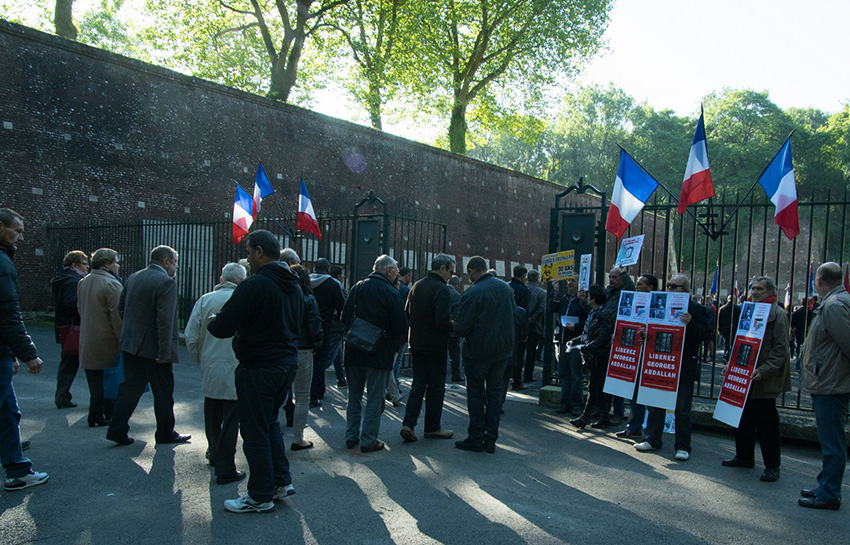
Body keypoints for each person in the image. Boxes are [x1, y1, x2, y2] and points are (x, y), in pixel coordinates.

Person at [208, 230, 302, 513]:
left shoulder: (255, 285)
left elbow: (222, 326)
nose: (247, 258)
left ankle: (260, 494)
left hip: (258, 366)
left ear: (260, 251)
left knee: (255, 430)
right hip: (285, 364)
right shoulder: (293, 285)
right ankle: (279, 481)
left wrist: (214, 319)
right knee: (270, 424)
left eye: (249, 252)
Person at [106, 245, 189, 446]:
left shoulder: (134, 277)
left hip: (131, 344)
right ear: (166, 261)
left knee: (130, 388)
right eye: (175, 262)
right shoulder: (166, 282)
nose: (176, 267)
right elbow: (165, 320)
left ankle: (117, 429)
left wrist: (133, 331)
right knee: (163, 392)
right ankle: (165, 433)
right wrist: (163, 351)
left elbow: (121, 308)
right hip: (154, 348)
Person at [634, 274, 711, 461]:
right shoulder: (660, 305)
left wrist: (690, 323)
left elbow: (706, 334)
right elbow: (654, 332)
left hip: (683, 364)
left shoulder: (698, 309)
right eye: (668, 285)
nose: (670, 289)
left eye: (674, 286)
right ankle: (653, 439)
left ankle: (683, 446)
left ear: (685, 290)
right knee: (655, 403)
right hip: (661, 361)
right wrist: (646, 333)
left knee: (682, 408)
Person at [721, 276, 790, 482]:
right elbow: (741, 342)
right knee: (743, 418)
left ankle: (772, 466)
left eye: (759, 289)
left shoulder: (778, 314)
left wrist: (764, 370)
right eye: (753, 288)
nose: (754, 292)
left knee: (767, 423)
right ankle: (744, 457)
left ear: (771, 292)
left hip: (764, 377)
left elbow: (780, 350)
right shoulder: (749, 310)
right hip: (744, 373)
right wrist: (731, 365)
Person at [185, 262, 247, 485]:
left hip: (211, 364)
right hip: (235, 363)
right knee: (231, 419)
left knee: (212, 414)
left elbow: (191, 335)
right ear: (241, 280)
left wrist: (201, 359)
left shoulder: (205, 300)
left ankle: (213, 451)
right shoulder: (243, 299)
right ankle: (225, 465)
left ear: (222, 279)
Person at [0, 208, 48, 491]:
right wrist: (27, 353)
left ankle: (17, 470)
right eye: (16, 230)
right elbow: (8, 313)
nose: (20, 236)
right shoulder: (3, 264)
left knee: (8, 414)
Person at [798, 262, 850, 510]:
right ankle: (825, 486)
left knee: (832, 443)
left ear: (818, 280)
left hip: (831, 384)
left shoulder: (834, 305)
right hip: (829, 381)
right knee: (831, 441)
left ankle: (829, 493)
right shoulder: (836, 301)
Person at [342, 255, 407, 453]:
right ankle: (369, 440)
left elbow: (345, 316)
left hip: (354, 349)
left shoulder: (357, 286)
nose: (397, 273)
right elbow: (400, 325)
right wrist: (394, 346)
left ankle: (351, 435)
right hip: (379, 352)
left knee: (354, 396)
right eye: (396, 270)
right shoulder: (391, 292)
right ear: (389, 271)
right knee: (374, 398)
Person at [453, 256, 515, 454]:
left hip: (478, 351)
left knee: (476, 394)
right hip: (502, 350)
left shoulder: (473, 292)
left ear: (472, 271)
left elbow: (462, 328)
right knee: (495, 394)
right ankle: (491, 439)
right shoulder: (506, 288)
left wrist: (452, 324)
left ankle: (475, 436)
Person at [399, 254, 455, 442]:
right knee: (436, 386)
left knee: (418, 383)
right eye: (450, 271)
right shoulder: (442, 290)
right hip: (435, 344)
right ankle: (432, 427)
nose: (451, 275)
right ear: (442, 269)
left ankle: (408, 423)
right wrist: (453, 326)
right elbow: (441, 319)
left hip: (415, 342)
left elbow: (407, 312)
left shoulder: (417, 285)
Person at [77, 248, 123, 427]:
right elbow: (117, 316)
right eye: (116, 262)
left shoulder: (84, 281)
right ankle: (106, 413)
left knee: (94, 380)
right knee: (110, 379)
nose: (118, 266)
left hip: (88, 335)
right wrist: (122, 340)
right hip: (106, 339)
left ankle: (95, 414)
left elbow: (80, 308)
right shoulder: (111, 284)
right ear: (107, 263)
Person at [616, 273, 658, 439]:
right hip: (635, 353)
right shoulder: (632, 301)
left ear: (650, 288)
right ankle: (634, 427)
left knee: (650, 394)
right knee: (633, 392)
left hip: (652, 357)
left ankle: (651, 430)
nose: (636, 287)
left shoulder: (657, 305)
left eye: (640, 284)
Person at [569, 285, 615, 429]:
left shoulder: (603, 314)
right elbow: (586, 333)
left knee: (594, 387)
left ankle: (585, 417)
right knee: (597, 388)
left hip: (599, 356)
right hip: (592, 355)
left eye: (589, 296)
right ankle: (604, 417)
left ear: (593, 299)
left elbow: (603, 336)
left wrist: (588, 347)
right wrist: (576, 341)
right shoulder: (593, 313)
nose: (587, 298)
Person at [290, 264, 323, 451]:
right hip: (303, 349)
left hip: (284, 349)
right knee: (302, 395)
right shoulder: (308, 299)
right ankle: (298, 437)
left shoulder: (283, 296)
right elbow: (314, 325)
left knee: (279, 395)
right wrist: (317, 344)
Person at [50, 250, 88, 408]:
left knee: (68, 362)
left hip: (64, 324)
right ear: (74, 265)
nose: (87, 268)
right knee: (75, 361)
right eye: (84, 264)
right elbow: (72, 303)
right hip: (75, 326)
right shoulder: (73, 280)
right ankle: (62, 396)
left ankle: (63, 395)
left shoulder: (62, 278)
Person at [309, 258, 345, 408]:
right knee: (321, 360)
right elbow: (341, 305)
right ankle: (314, 394)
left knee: (312, 359)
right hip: (326, 325)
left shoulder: (307, 281)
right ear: (328, 269)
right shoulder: (332, 284)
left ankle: (320, 389)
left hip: (307, 326)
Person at [604, 266, 634, 425]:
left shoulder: (625, 293)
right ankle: (603, 409)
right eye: (610, 277)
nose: (611, 280)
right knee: (603, 377)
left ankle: (618, 411)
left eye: (615, 277)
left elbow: (631, 287)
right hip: (604, 337)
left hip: (618, 339)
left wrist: (623, 273)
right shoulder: (608, 292)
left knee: (617, 378)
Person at [554, 277, 587, 416]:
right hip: (563, 340)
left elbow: (588, 320)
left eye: (573, 280)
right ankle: (564, 402)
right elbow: (552, 308)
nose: (570, 283)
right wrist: (555, 291)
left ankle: (577, 404)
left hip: (576, 342)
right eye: (568, 280)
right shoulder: (563, 298)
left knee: (576, 376)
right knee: (563, 374)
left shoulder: (583, 300)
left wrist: (577, 327)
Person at [508, 265, 530, 391]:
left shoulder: (506, 286)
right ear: (523, 276)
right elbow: (524, 312)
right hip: (518, 326)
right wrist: (524, 333)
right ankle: (517, 381)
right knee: (519, 356)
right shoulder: (523, 290)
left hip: (505, 325)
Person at [523, 270, 546, 383]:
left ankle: (515, 375)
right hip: (534, 327)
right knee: (531, 352)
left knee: (518, 350)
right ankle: (528, 376)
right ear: (537, 279)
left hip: (520, 324)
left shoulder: (522, 289)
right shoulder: (541, 293)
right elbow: (542, 309)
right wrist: (531, 320)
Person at [447, 276, 463, 383]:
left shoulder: (441, 291)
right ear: (456, 284)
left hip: (440, 328)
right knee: (455, 353)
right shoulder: (456, 295)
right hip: (452, 330)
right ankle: (455, 374)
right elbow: (457, 312)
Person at [718, 295, 741, 360]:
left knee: (726, 343)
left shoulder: (722, 308)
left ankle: (726, 355)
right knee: (732, 343)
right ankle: (728, 356)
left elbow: (720, 320)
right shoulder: (736, 308)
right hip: (734, 328)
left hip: (725, 328)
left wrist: (719, 329)